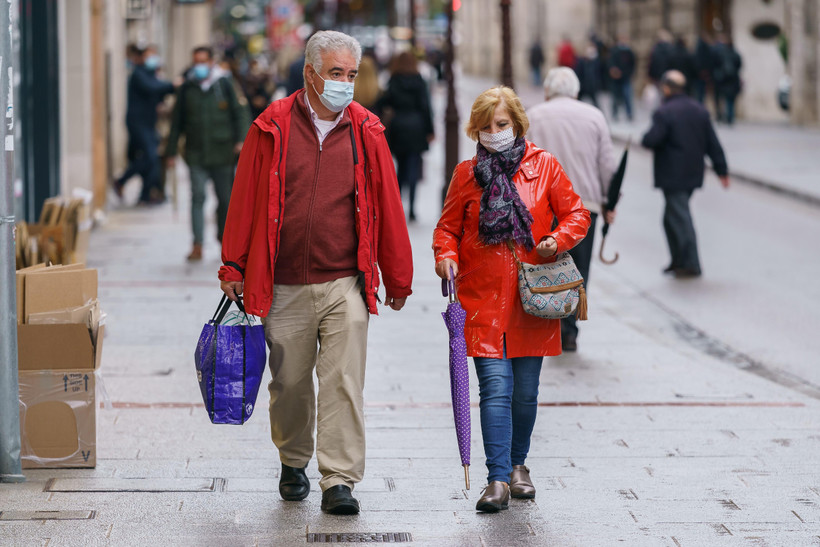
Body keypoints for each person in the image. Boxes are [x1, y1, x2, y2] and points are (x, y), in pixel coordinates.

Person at [218, 30, 413, 515]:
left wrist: (398, 275)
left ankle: (339, 479)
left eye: (350, 74)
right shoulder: (272, 125)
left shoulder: (367, 130)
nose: (345, 83)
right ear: (310, 73)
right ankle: (293, 458)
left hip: (344, 279)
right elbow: (244, 197)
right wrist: (233, 263)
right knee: (289, 383)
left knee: (344, 381)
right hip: (282, 280)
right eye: (335, 74)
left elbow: (388, 205)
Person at [433, 86, 590, 513]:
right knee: (496, 388)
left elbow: (578, 213)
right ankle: (497, 478)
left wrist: (556, 240)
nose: (493, 132)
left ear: (517, 124)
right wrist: (445, 256)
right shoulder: (467, 174)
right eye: (485, 127)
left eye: (500, 124)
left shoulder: (545, 167)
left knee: (525, 392)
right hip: (482, 298)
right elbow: (446, 228)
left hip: (531, 297)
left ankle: (519, 465)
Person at [526, 67, 617, 352]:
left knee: (546, 265)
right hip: (585, 205)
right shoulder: (594, 116)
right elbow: (607, 166)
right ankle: (569, 329)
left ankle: (549, 323)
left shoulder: (534, 115)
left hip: (543, 206)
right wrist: (609, 201)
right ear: (576, 92)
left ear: (548, 91)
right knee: (578, 268)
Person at [166, 46, 251, 261]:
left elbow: (240, 113)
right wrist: (170, 152)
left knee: (225, 200)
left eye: (203, 61)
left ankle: (224, 239)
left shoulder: (224, 84)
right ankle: (197, 244)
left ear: (211, 61)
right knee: (198, 196)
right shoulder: (187, 88)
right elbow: (176, 122)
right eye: (196, 62)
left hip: (223, 152)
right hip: (195, 153)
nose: (199, 66)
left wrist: (242, 140)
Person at [641, 70, 729, 278]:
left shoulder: (665, 112)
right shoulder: (699, 110)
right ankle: (678, 260)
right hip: (692, 174)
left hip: (673, 175)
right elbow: (713, 143)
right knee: (671, 217)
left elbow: (651, 139)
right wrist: (721, 170)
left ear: (666, 88)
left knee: (680, 217)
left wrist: (647, 136)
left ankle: (691, 263)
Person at [376, 51, 434, 222]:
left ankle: (398, 206)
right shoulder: (419, 81)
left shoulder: (394, 80)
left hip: (399, 127)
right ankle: (412, 210)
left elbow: (383, 102)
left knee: (400, 169)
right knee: (414, 169)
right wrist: (430, 130)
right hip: (417, 127)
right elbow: (426, 107)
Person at [114, 45, 175, 204]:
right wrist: (173, 85)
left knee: (152, 158)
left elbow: (159, 91)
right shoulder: (139, 74)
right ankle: (121, 181)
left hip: (149, 123)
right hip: (138, 122)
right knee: (150, 156)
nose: (152, 59)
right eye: (149, 56)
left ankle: (146, 194)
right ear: (141, 58)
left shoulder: (152, 74)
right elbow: (153, 88)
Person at [712, 35, 742, 125]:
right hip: (733, 80)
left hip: (724, 80)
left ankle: (728, 116)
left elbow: (716, 64)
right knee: (731, 100)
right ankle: (730, 116)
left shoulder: (722, 54)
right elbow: (739, 65)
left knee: (726, 99)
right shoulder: (735, 54)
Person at [608, 35, 635, 121]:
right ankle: (615, 114)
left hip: (625, 77)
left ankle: (629, 114)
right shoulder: (614, 50)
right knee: (615, 97)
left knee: (627, 96)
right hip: (616, 78)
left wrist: (629, 73)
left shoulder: (629, 51)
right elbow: (610, 63)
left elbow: (633, 64)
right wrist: (614, 71)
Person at [575, 42, 601, 108]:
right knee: (577, 102)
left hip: (592, 86)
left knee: (595, 102)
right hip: (582, 85)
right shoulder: (581, 61)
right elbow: (577, 72)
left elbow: (598, 73)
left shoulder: (596, 62)